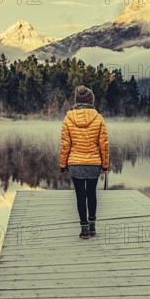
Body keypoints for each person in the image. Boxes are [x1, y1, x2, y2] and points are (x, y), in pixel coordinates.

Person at [59, 85, 109, 240]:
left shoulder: (68, 118)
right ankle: (93, 226)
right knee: (92, 193)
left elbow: (65, 144)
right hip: (94, 163)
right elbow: (104, 144)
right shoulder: (99, 118)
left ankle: (84, 230)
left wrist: (63, 164)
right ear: (91, 99)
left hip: (75, 163)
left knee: (80, 196)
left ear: (76, 100)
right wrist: (105, 164)